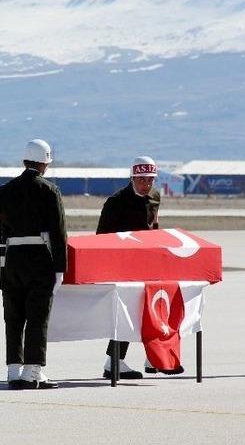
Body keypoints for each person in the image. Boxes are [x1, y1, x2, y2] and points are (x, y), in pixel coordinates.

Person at [0, 139, 66, 390]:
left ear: (25, 160)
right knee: (37, 316)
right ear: (45, 163)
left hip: (12, 260)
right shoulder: (49, 190)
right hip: (39, 259)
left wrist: (0, 261)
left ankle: (14, 370)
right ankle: (33, 371)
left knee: (13, 317)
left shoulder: (5, 190)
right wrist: (60, 268)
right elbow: (58, 233)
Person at [95, 156, 166, 380]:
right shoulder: (116, 202)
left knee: (152, 310)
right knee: (125, 314)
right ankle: (114, 360)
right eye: (142, 180)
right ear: (133, 178)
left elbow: (153, 225)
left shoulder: (155, 196)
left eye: (150, 180)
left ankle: (153, 355)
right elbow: (102, 238)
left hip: (148, 263)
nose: (146, 185)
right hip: (123, 266)